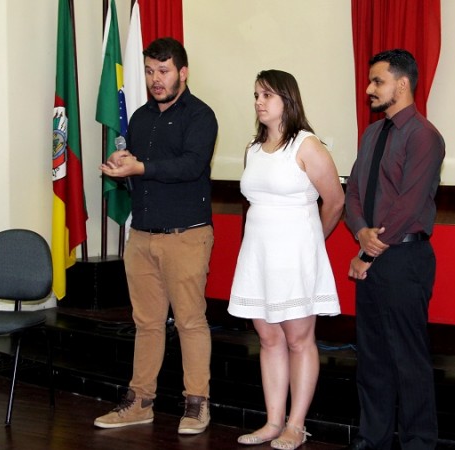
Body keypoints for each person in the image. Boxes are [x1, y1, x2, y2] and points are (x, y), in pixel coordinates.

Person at [94, 37, 218, 435]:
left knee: (189, 322)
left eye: (163, 71)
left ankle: (197, 404)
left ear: (183, 72)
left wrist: (140, 167)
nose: (155, 79)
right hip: (142, 235)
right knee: (146, 323)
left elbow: (190, 166)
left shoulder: (201, 116)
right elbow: (139, 169)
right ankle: (140, 402)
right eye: (149, 71)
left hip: (186, 236)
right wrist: (122, 162)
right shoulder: (142, 118)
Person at [228, 70, 344, 450]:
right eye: (256, 95)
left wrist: (312, 243)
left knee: (298, 339)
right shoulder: (253, 148)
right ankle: (273, 420)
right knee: (268, 337)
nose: (259, 102)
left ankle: (297, 424)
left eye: (267, 95)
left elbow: (335, 201)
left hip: (295, 254)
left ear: (287, 101)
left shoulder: (307, 145)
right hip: (258, 252)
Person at [344, 49, 445, 450]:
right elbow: (352, 191)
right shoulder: (372, 133)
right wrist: (361, 232)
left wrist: (369, 250)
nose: (369, 89)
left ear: (401, 85)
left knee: (409, 359)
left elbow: (409, 203)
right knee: (372, 358)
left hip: (404, 259)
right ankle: (374, 438)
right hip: (373, 255)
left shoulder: (424, 136)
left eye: (377, 81)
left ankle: (419, 443)